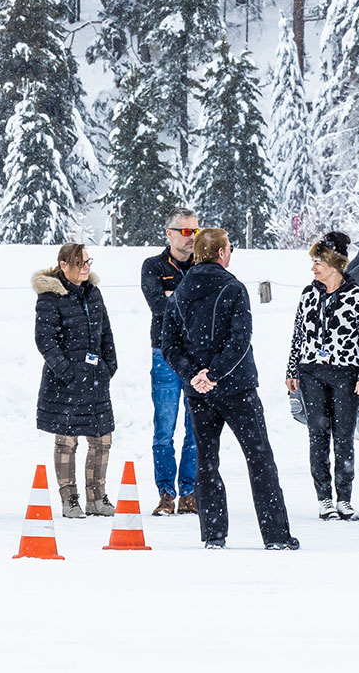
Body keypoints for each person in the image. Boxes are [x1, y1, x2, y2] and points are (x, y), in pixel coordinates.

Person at [162, 228, 298, 550]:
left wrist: (195, 375)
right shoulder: (233, 287)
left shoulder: (179, 292)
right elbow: (240, 339)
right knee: (260, 459)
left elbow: (169, 346)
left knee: (207, 461)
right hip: (237, 389)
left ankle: (213, 534)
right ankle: (276, 535)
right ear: (222, 253)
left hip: (199, 393)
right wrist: (216, 373)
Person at [285, 232, 359, 521]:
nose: (313, 268)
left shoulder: (357, 297)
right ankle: (324, 498)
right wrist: (291, 370)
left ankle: (344, 498)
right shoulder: (307, 295)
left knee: (344, 438)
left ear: (335, 265)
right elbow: (298, 334)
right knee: (318, 436)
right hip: (311, 372)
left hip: (346, 374)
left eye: (318, 262)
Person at [33, 243, 119, 518]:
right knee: (67, 441)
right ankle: (69, 499)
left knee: (102, 439)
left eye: (87, 261)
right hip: (65, 384)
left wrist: (108, 366)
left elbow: (106, 333)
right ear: (63, 265)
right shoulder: (50, 297)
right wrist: (67, 372)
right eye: (79, 262)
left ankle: (97, 496)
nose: (85, 266)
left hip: (96, 380)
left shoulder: (94, 294)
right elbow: (45, 341)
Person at [140, 208, 199, 516]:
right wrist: (190, 300)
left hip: (197, 356)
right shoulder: (152, 265)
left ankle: (189, 492)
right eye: (186, 232)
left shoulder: (203, 265)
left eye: (196, 232)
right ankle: (166, 493)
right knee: (164, 428)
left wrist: (176, 295)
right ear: (170, 233)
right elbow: (159, 307)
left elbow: (208, 306)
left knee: (195, 427)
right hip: (164, 353)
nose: (192, 238)